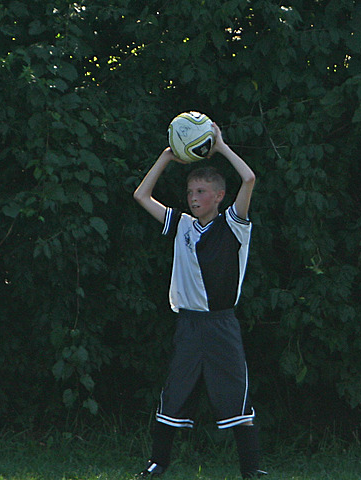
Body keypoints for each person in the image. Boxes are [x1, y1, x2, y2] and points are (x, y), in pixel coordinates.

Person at [132, 121, 266, 479]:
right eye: (190, 191)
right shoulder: (182, 225)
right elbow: (141, 197)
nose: (193, 197)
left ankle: (251, 470)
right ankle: (157, 463)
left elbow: (249, 179)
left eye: (202, 191)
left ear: (219, 196)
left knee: (236, 397)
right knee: (174, 394)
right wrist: (166, 156)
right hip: (189, 324)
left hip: (222, 325)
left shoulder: (234, 224)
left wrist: (220, 146)